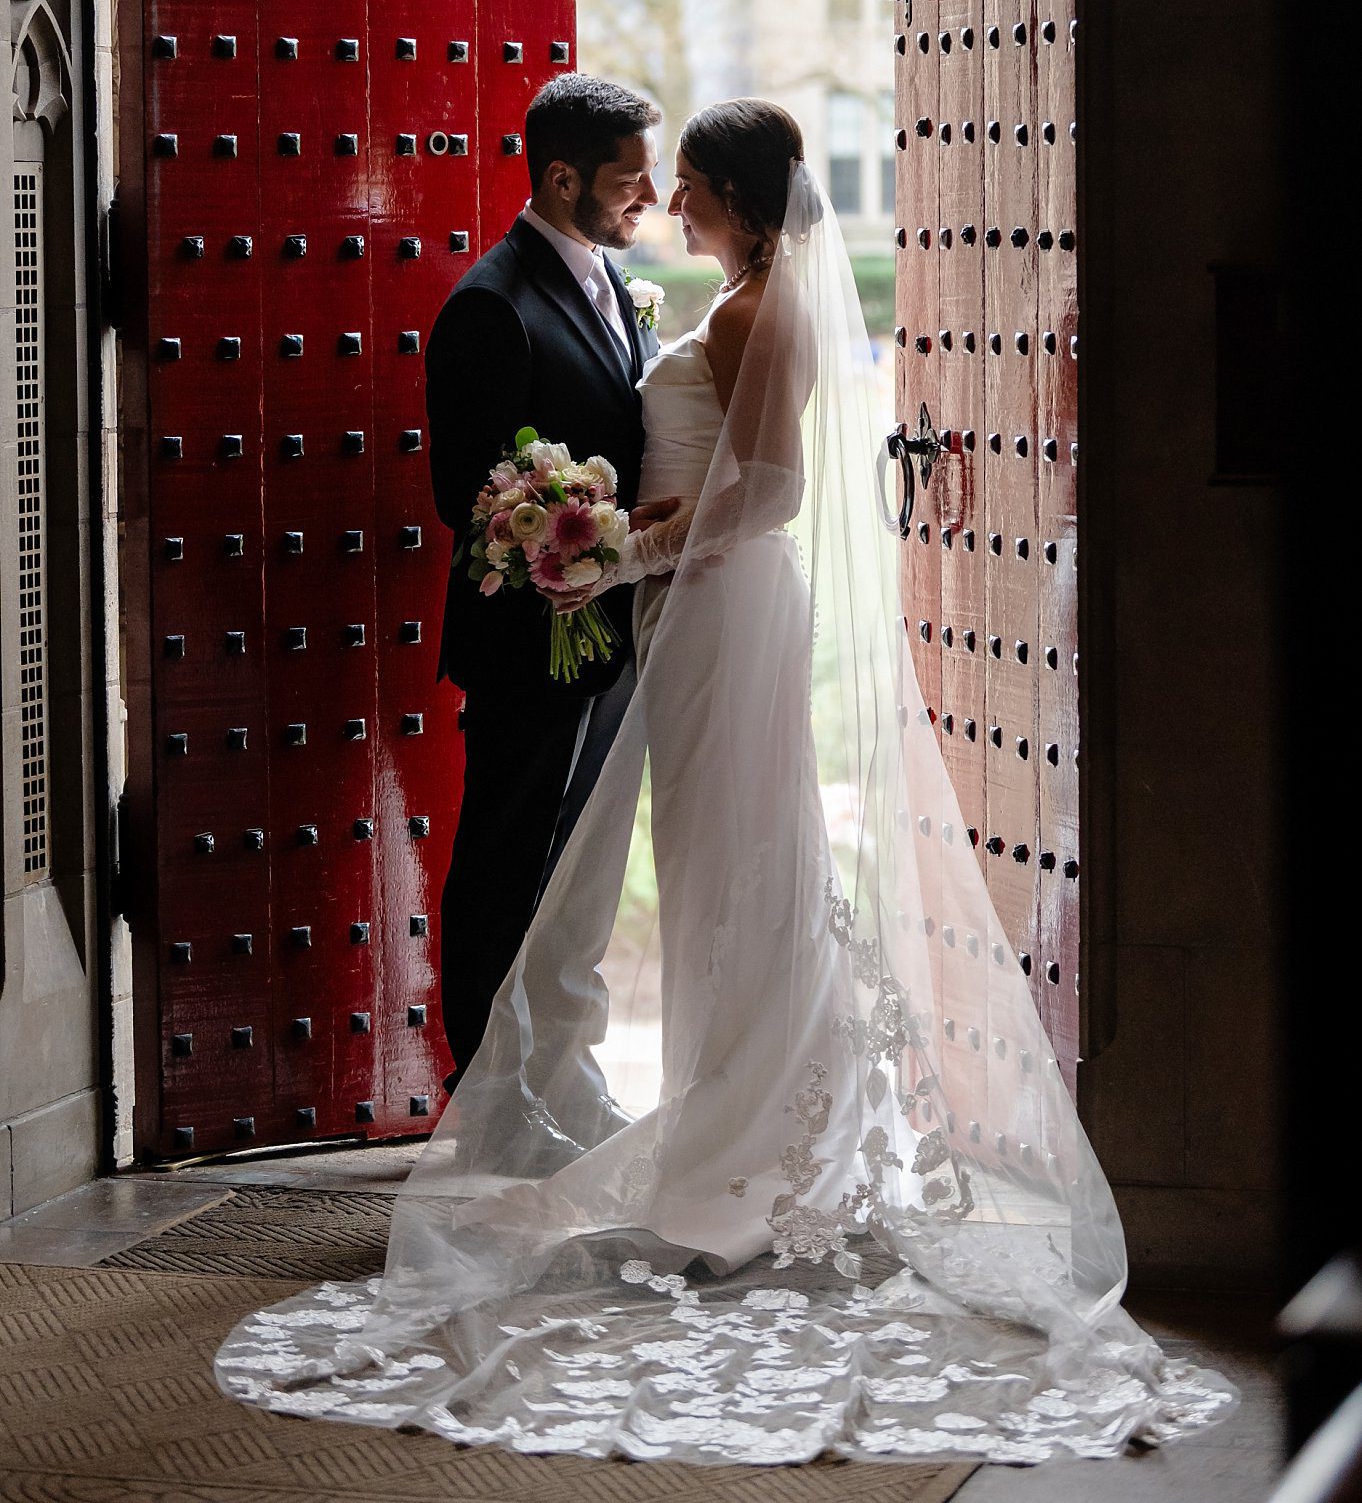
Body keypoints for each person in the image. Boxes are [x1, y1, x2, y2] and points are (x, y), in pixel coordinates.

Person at [218, 102, 1233, 1464]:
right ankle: (719, 1117)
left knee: (738, 864)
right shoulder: (668, 299)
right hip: (684, 611)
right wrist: (591, 551)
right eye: (652, 178)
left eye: (685, 183)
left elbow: (767, 493)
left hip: (716, 605)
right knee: (718, 866)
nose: (664, 202)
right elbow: (550, 476)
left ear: (744, 204)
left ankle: (742, 1146)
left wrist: (611, 557)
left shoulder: (754, 316)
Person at [424, 72, 672, 1162]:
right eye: (628, 178)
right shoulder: (492, 303)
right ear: (561, 175)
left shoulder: (615, 282)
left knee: (572, 882)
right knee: (504, 869)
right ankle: (486, 1105)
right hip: (530, 644)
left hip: (606, 637)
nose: (650, 196)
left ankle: (560, 1085)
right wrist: (570, 530)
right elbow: (466, 495)